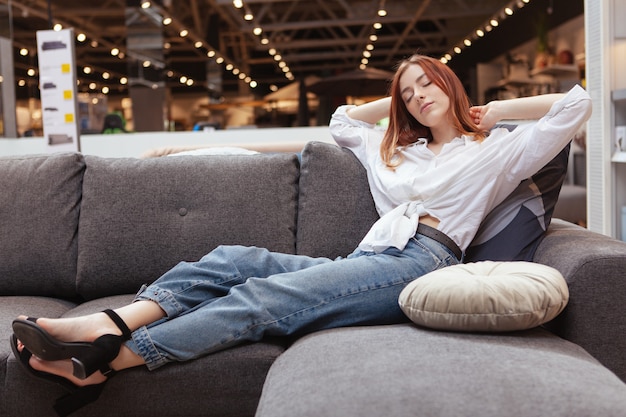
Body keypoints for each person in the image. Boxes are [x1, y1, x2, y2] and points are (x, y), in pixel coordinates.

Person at [10, 54, 592, 415]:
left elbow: (576, 105)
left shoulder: (496, 149)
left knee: (260, 300)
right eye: (408, 92)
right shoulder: (393, 148)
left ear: (449, 83)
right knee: (230, 260)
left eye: (426, 84)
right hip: (370, 256)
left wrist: (492, 111)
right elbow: (343, 120)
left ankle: (108, 361)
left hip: (425, 261)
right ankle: (100, 326)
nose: (418, 96)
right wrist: (391, 107)